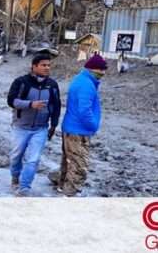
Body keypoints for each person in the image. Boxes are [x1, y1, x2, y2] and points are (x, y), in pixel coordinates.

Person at [6, 54, 61, 197]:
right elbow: (12, 101)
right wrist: (31, 104)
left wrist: (53, 125)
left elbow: (56, 106)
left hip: (40, 129)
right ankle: (15, 177)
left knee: (33, 159)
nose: (47, 68)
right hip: (21, 127)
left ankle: (24, 188)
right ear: (34, 66)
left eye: (49, 65)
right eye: (43, 65)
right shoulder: (21, 82)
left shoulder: (52, 85)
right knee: (16, 157)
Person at [52, 54, 107, 197]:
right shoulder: (86, 85)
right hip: (79, 131)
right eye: (102, 70)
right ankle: (70, 194)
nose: (103, 73)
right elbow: (84, 111)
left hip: (71, 128)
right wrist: (93, 126)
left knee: (68, 162)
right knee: (79, 166)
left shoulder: (81, 80)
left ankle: (62, 187)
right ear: (94, 69)